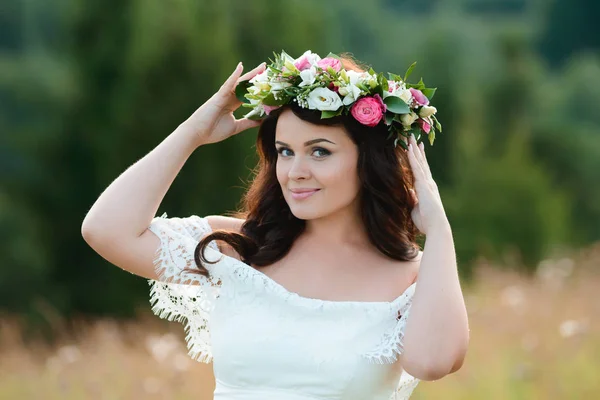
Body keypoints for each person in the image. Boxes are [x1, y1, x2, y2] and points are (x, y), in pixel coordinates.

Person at [82, 50, 469, 400]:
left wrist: (439, 229)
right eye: (285, 152)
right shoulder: (240, 248)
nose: (295, 172)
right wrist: (193, 133)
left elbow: (432, 361)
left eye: (320, 151)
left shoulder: (412, 275)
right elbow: (106, 230)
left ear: (368, 162)